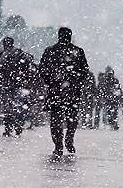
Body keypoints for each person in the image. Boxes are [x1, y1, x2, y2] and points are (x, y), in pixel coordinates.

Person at [39, 27, 92, 157]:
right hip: (72, 91)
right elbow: (85, 71)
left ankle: (58, 145)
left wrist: (51, 82)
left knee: (56, 119)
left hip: (56, 90)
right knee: (71, 117)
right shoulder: (78, 51)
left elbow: (42, 69)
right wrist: (76, 82)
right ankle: (69, 138)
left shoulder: (50, 51)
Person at [0, 37, 35, 137]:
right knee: (18, 107)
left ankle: (8, 128)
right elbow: (28, 63)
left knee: (8, 107)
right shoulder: (19, 53)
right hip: (18, 84)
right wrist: (23, 77)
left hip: (7, 85)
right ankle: (17, 128)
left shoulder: (3, 55)